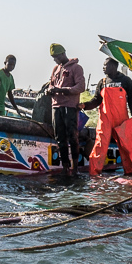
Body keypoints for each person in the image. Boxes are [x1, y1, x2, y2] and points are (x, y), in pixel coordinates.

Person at [88, 58, 132, 176]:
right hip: (105, 119)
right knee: (99, 146)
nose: (103, 67)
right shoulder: (102, 82)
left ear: (114, 66)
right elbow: (96, 100)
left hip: (122, 120)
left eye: (106, 65)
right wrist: (84, 106)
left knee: (128, 146)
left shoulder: (126, 81)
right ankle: (94, 173)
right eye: (103, 65)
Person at [47, 44, 85, 177]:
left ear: (63, 54)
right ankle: (65, 166)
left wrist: (62, 90)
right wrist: (49, 90)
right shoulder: (55, 69)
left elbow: (80, 87)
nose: (55, 60)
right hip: (56, 106)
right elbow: (51, 83)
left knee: (72, 136)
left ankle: (75, 168)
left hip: (69, 106)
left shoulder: (76, 68)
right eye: (53, 57)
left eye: (56, 57)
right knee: (59, 137)